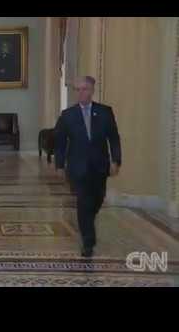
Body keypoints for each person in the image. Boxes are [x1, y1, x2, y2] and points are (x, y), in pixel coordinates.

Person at [55, 76, 122, 258]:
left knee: (97, 199)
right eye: (77, 90)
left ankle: (87, 223)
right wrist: (60, 165)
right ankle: (88, 241)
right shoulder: (68, 115)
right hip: (77, 167)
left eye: (84, 89)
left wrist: (116, 160)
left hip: (100, 166)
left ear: (92, 91)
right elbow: (60, 142)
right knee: (83, 203)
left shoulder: (105, 112)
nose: (80, 93)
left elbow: (114, 138)